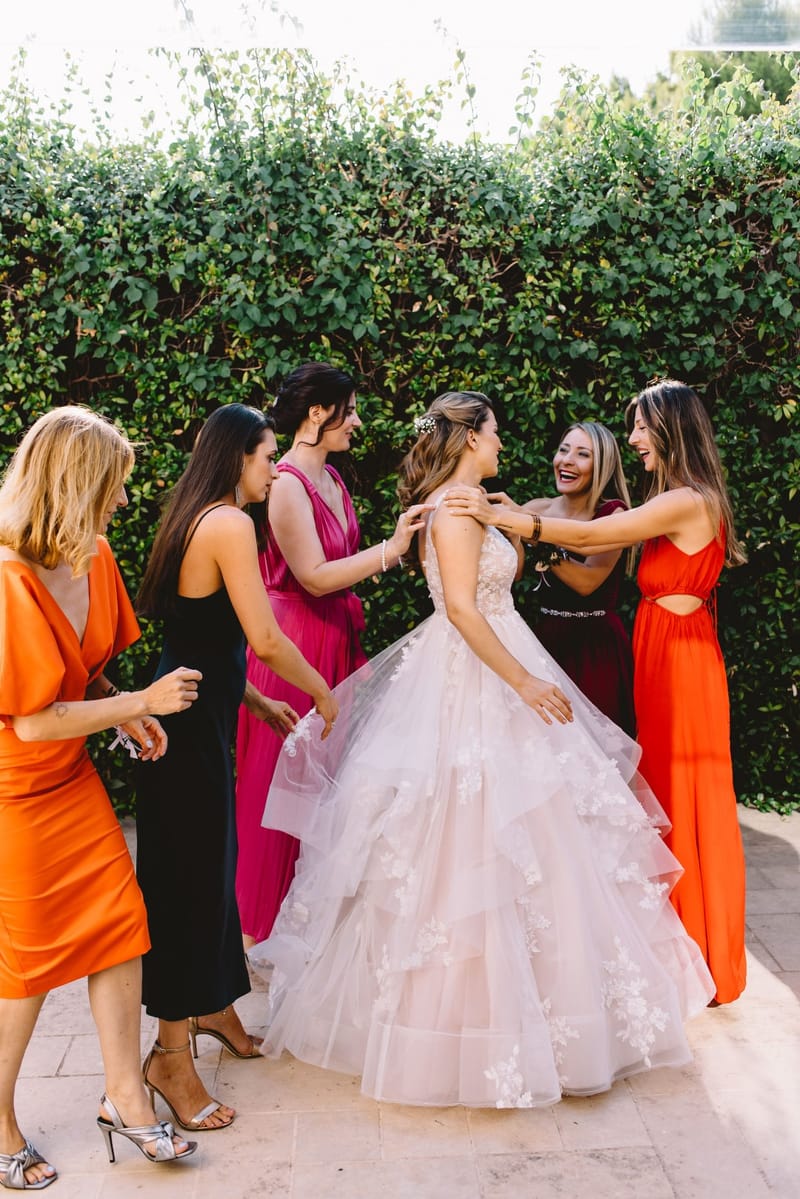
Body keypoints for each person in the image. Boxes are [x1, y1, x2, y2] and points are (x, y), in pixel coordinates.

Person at [248, 390, 715, 1108]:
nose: (503, 442)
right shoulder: (455, 507)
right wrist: (524, 679)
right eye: (494, 431)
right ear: (469, 438)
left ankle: (548, 1012)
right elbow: (463, 609)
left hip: (495, 659)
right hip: (475, 674)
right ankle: (463, 1025)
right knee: (462, 845)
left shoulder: (471, 498)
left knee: (539, 839)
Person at [445, 380, 747, 1005]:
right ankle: (680, 942)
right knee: (660, 791)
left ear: (670, 429)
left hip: (683, 663)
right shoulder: (674, 497)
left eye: (641, 427)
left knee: (686, 796)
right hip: (660, 651)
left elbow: (590, 540)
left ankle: (708, 956)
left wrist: (503, 517)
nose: (633, 439)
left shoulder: (689, 499)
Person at [0, 407, 202, 1190]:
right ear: (75, 485)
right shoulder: (11, 578)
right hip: (16, 791)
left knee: (121, 926)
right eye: (114, 486)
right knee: (29, 962)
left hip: (72, 780)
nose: (123, 500)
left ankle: (124, 1095)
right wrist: (138, 703)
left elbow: (84, 678)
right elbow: (31, 718)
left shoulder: (95, 557)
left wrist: (128, 712)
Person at [134, 403, 339, 1133]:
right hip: (183, 738)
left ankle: (218, 1003)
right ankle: (169, 1057)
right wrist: (318, 689)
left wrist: (252, 700)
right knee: (189, 889)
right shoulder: (229, 523)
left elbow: (204, 638)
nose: (275, 467)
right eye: (266, 455)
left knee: (214, 871)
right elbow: (263, 635)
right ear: (236, 458)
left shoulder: (202, 515)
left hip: (197, 721)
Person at [235, 362, 428, 947]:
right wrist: (392, 550)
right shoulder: (288, 482)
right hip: (293, 641)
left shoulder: (333, 480)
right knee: (280, 787)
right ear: (317, 413)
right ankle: (259, 934)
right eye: (349, 410)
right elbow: (314, 576)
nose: (357, 422)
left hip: (338, 639)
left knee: (331, 788)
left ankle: (309, 929)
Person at [519, 421, 635, 734]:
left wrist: (539, 539)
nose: (567, 460)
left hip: (594, 648)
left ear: (602, 467)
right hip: (543, 641)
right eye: (563, 450)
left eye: (582, 454)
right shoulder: (537, 509)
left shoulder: (614, 515)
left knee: (597, 749)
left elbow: (587, 582)